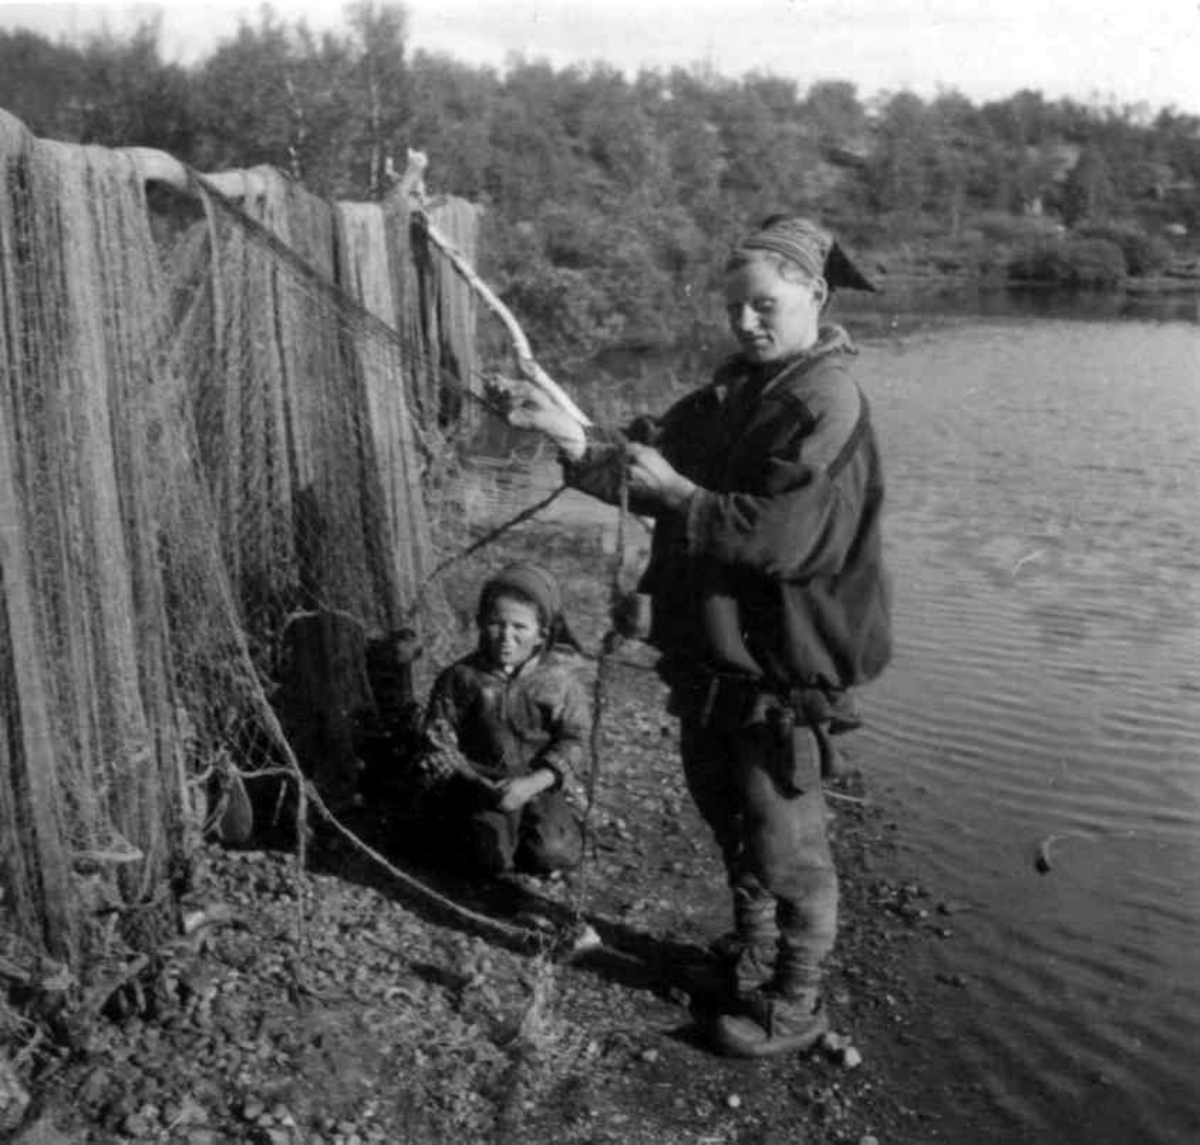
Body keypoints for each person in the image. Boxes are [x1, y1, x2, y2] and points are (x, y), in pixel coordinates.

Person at [504, 216, 891, 1057]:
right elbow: (641, 472)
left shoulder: (826, 401)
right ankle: (749, 960)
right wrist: (561, 433)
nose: (746, 323)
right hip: (714, 660)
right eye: (734, 309)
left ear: (815, 297)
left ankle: (795, 1004)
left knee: (790, 851)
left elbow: (790, 537)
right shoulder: (731, 393)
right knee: (732, 824)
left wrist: (682, 494)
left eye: (764, 305)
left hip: (784, 670)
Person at [414, 562, 589, 876]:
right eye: (496, 623)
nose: (506, 637)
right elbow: (438, 742)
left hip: (539, 783)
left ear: (542, 634)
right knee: (483, 857)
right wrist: (477, 781)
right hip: (478, 783)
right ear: (481, 623)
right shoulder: (460, 678)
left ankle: (539, 837)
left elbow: (574, 741)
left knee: (555, 852)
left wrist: (531, 784)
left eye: (520, 627)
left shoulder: (560, 681)